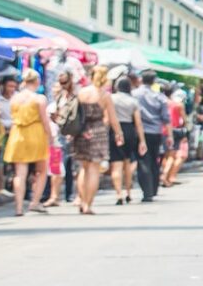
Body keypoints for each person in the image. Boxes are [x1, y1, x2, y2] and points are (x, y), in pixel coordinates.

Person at [4, 70, 53, 216]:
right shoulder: (39, 98)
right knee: (41, 170)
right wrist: (50, 136)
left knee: (20, 173)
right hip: (36, 134)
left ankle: (18, 207)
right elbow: (45, 120)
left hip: (18, 133)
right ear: (37, 82)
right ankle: (35, 202)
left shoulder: (15, 98)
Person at [73, 66, 111, 215]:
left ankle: (82, 201)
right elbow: (111, 118)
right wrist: (118, 132)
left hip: (81, 131)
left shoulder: (82, 93)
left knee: (83, 168)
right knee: (94, 169)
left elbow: (76, 113)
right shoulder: (104, 95)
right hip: (98, 131)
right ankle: (88, 204)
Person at [133, 69, 170, 203]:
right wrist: (169, 135)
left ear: (141, 79)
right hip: (156, 132)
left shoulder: (135, 94)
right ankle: (153, 189)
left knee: (143, 161)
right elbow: (166, 118)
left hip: (140, 131)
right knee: (155, 160)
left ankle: (146, 191)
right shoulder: (159, 97)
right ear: (154, 81)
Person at [107, 73, 144, 206]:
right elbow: (138, 123)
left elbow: (107, 118)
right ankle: (128, 192)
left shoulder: (111, 98)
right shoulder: (133, 101)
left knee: (116, 164)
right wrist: (142, 140)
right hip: (129, 130)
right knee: (127, 162)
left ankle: (119, 194)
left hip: (114, 130)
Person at [46, 68, 79, 208]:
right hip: (57, 136)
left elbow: (75, 117)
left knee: (74, 167)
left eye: (63, 82)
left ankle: (78, 196)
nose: (59, 86)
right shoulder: (58, 100)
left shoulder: (74, 98)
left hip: (70, 135)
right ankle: (54, 196)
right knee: (56, 166)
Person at [162, 85, 188, 187]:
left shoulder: (162, 103)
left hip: (163, 130)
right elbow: (184, 120)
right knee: (172, 156)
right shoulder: (178, 105)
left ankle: (167, 176)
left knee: (166, 155)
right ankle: (165, 176)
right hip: (175, 130)